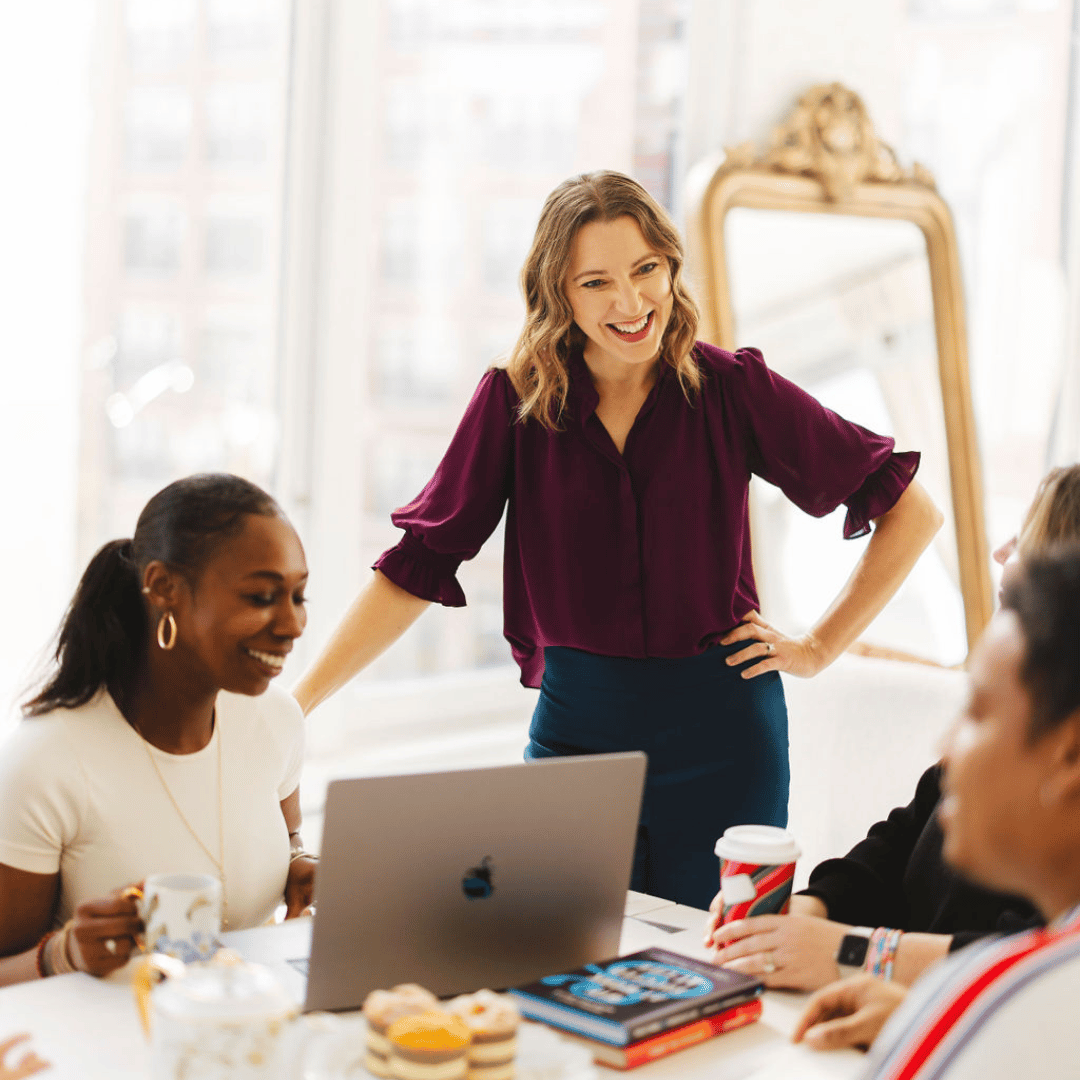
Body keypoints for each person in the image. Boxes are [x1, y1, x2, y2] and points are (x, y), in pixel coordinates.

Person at [293, 170, 942, 909]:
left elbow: (912, 511)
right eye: (597, 283)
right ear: (558, 296)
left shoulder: (733, 389)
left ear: (670, 265)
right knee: (558, 949)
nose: (632, 304)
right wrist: (297, 706)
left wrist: (818, 648)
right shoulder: (514, 405)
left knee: (722, 964)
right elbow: (418, 565)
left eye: (646, 270)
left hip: (726, 736)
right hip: (579, 730)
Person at [705, 464, 1080, 989]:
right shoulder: (991, 754)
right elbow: (890, 852)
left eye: (1026, 533)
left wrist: (852, 952)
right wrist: (804, 915)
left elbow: (1035, 963)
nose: (1001, 550)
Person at [0, 474, 316, 986]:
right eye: (261, 597)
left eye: (299, 597)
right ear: (164, 588)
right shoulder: (46, 760)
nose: (293, 624)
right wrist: (63, 955)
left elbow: (290, 837)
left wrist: (300, 864)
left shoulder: (276, 720)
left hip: (247, 1037)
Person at [790, 545, 1080, 1078]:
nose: (946, 745)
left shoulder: (1014, 995)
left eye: (976, 712)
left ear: (1071, 754)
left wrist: (938, 1015)